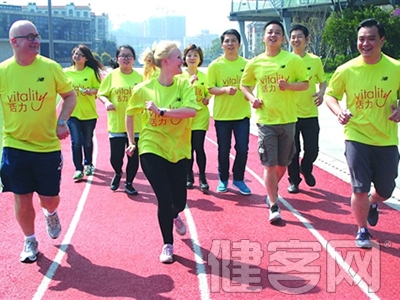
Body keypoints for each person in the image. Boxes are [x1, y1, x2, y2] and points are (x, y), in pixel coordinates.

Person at [0, 20, 76, 263]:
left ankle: (51, 212)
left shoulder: (51, 68)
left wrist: (62, 120)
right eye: (29, 36)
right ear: (14, 42)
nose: (36, 40)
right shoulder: (3, 72)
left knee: (49, 197)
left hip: (47, 147)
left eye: (37, 35)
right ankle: (30, 240)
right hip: (14, 145)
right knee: (21, 196)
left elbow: (70, 95)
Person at [325, 18, 400, 248]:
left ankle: (374, 202)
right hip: (356, 136)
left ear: (382, 40)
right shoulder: (346, 70)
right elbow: (330, 95)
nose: (365, 43)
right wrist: (339, 112)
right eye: (361, 39)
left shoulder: (395, 68)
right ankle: (362, 230)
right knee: (359, 187)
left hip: (386, 138)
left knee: (386, 190)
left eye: (371, 38)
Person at [125, 41, 198, 263]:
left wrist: (162, 111)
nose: (182, 61)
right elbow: (130, 114)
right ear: (165, 61)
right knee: (164, 199)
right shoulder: (143, 88)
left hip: (178, 149)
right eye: (178, 57)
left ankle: (175, 215)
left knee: (179, 202)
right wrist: (131, 141)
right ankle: (167, 243)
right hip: (151, 146)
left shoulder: (184, 85)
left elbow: (191, 111)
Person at [240, 20, 309, 223]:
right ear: (263, 37)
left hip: (288, 119)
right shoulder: (255, 62)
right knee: (270, 165)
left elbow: (305, 84)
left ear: (283, 38)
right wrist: (253, 99)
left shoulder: (293, 60)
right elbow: (245, 85)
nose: (273, 35)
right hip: (266, 120)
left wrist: (289, 86)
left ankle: (271, 188)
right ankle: (273, 204)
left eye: (277, 32)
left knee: (283, 164)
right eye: (269, 32)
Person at [207, 29, 252, 195]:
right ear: (222, 44)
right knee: (223, 150)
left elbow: (250, 85)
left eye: (233, 41)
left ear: (239, 44)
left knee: (242, 148)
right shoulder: (215, 65)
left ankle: (239, 179)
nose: (230, 44)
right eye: (227, 41)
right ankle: (223, 179)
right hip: (222, 116)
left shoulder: (247, 64)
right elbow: (210, 88)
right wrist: (224, 89)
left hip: (242, 115)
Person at [97, 45, 143, 195]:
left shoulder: (139, 78)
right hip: (117, 123)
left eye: (129, 56)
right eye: (122, 56)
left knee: (134, 157)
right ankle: (117, 173)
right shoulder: (111, 76)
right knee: (116, 157)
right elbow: (101, 94)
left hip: (136, 124)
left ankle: (129, 183)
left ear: (134, 59)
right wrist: (107, 102)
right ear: (117, 58)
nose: (126, 58)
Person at [287, 24, 327, 193]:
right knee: (293, 151)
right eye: (293, 37)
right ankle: (294, 181)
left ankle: (306, 167)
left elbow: (322, 80)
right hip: (290, 114)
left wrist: (321, 93)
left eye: (299, 37)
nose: (296, 40)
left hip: (310, 113)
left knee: (312, 149)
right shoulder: (285, 61)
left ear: (307, 40)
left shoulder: (315, 60)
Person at [64, 44, 104, 182]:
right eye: (75, 53)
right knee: (76, 142)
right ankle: (78, 169)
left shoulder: (91, 72)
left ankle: (88, 164)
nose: (76, 56)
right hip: (72, 113)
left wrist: (91, 91)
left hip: (89, 114)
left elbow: (99, 89)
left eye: (80, 54)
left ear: (86, 58)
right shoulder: (67, 73)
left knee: (87, 141)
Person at [182, 44, 211, 192]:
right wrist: (189, 82)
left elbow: (209, 91)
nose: (192, 58)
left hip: (200, 115)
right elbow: (177, 95)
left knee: (198, 146)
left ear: (200, 59)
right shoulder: (179, 76)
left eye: (195, 55)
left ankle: (203, 177)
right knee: (188, 148)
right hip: (185, 117)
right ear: (184, 58)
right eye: (189, 55)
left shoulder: (205, 76)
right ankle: (188, 176)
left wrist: (208, 97)